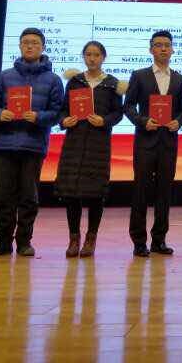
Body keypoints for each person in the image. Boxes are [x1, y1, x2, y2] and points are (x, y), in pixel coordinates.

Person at [0, 27, 64, 257]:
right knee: (4, 196)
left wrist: (39, 117)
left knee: (29, 197)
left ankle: (25, 241)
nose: (30, 46)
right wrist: (0, 114)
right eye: (25, 42)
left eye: (35, 43)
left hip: (33, 145)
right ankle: (2, 242)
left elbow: (57, 113)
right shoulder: (4, 76)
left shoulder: (53, 79)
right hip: (4, 145)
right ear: (19, 46)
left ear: (43, 47)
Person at [56, 41, 125, 258]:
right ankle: (73, 238)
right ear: (84, 57)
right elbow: (62, 109)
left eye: (96, 54)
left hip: (99, 144)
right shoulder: (75, 82)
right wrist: (64, 120)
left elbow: (118, 113)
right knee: (71, 194)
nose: (92, 58)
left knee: (96, 194)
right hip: (74, 142)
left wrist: (104, 121)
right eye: (88, 54)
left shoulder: (112, 84)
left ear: (103, 57)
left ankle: (91, 238)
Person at [123, 30, 182, 257]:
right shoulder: (139, 75)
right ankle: (139, 241)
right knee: (141, 192)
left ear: (172, 50)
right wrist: (142, 121)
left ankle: (159, 240)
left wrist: (178, 121)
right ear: (151, 49)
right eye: (158, 45)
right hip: (145, 142)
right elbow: (128, 106)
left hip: (168, 142)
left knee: (164, 193)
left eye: (167, 45)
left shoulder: (179, 79)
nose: (163, 48)